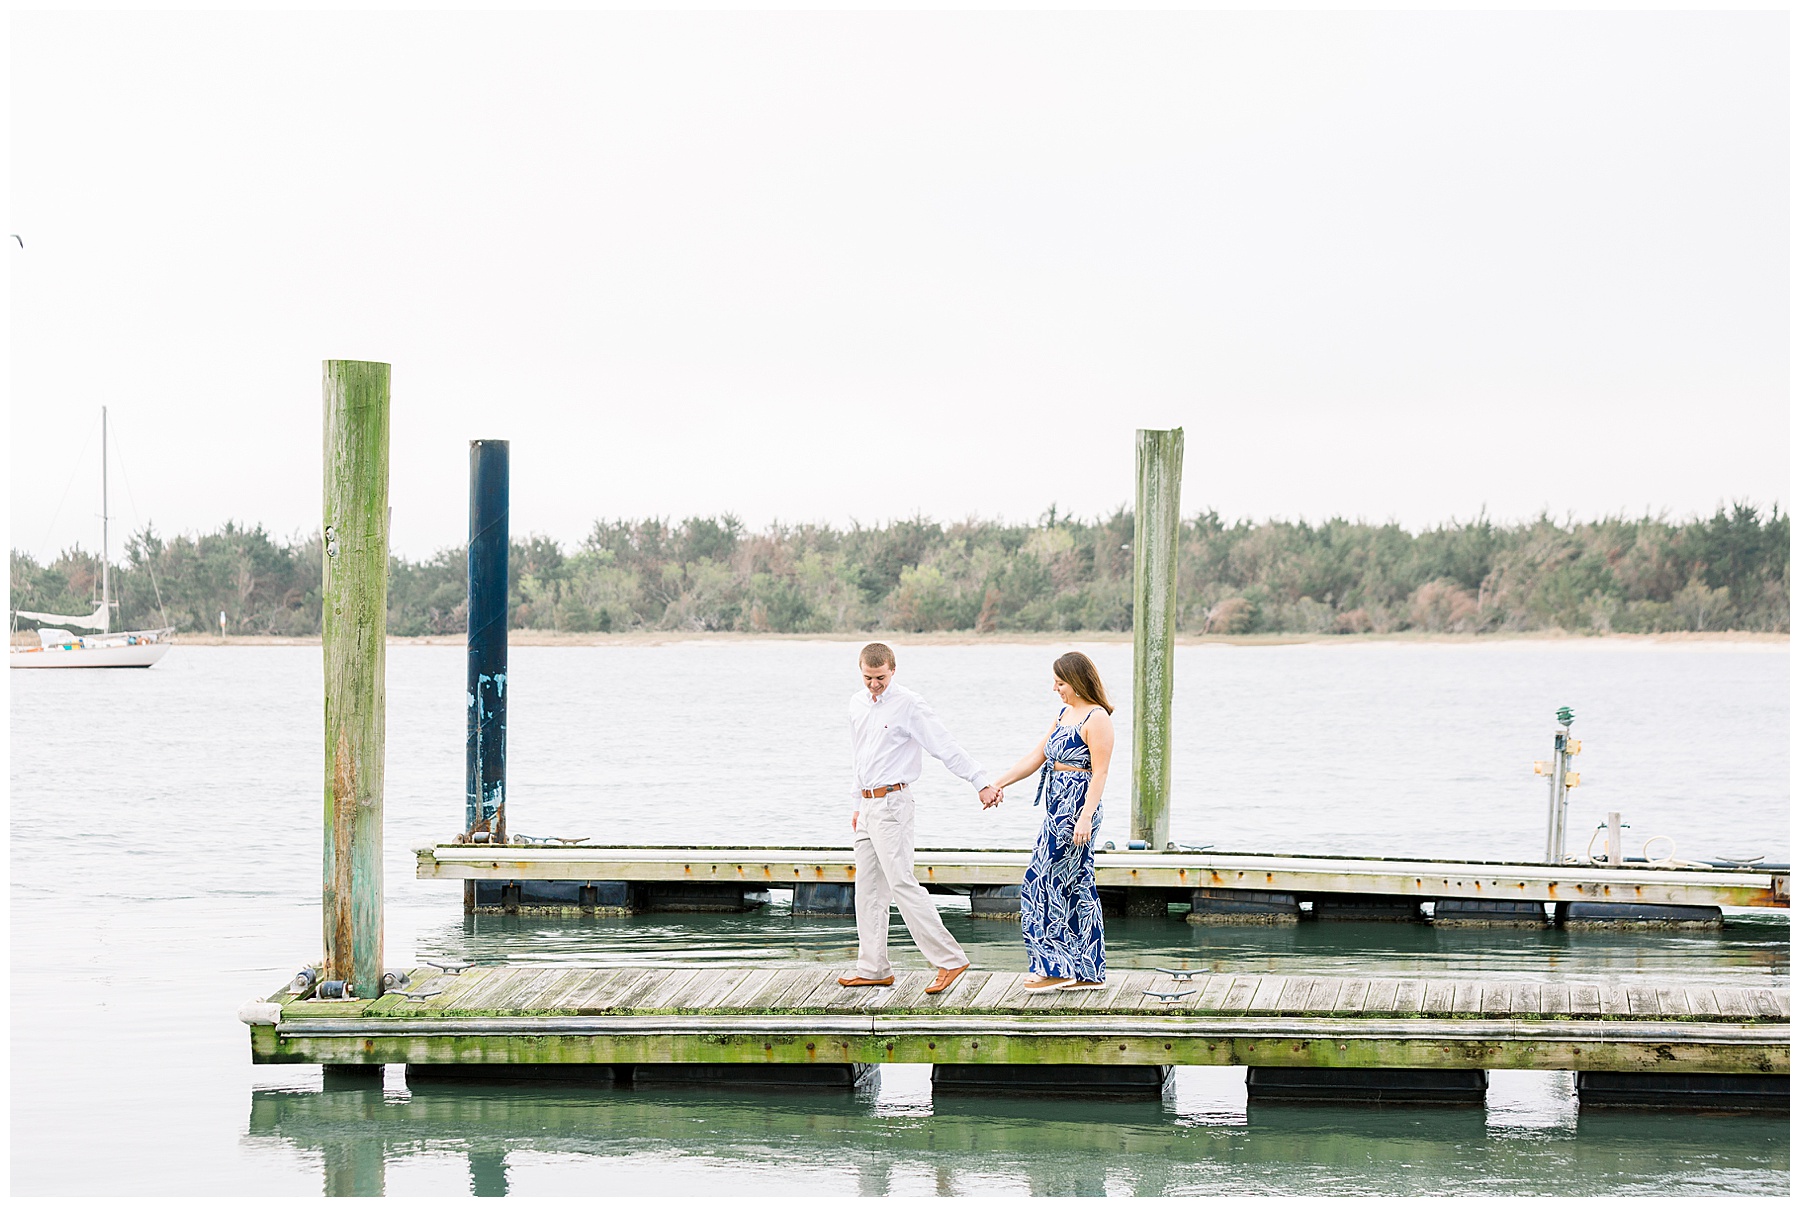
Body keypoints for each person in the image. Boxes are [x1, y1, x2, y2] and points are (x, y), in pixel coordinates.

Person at [839, 642, 1001, 995]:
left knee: (901, 883)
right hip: (866, 807)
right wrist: (856, 804)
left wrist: (980, 781)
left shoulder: (909, 704)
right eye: (868, 677)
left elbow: (944, 745)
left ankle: (949, 959)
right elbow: (858, 757)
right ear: (860, 671)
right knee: (867, 890)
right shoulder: (856, 703)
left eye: (880, 677)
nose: (874, 684)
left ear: (892, 670)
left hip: (894, 804)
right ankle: (873, 968)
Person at [986, 651, 1114, 992]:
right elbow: (1035, 757)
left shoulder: (1096, 718)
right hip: (1056, 806)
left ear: (1075, 681)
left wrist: (1085, 817)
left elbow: (1100, 772)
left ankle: (1055, 967)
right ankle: (1088, 971)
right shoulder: (1064, 714)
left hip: (1077, 808)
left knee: (1041, 880)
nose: (1055, 689)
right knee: (1078, 884)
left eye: (1059, 683)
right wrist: (997, 783)